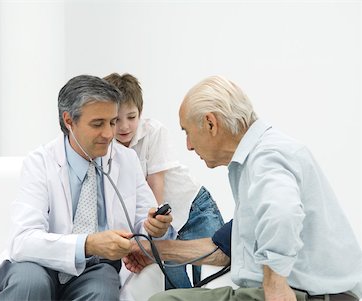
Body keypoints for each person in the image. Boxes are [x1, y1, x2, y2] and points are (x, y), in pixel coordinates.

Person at [131, 75, 362, 301]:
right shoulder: (254, 160)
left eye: (188, 132)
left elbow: (283, 214)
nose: (189, 146)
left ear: (211, 123)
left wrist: (275, 285)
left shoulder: (267, 156)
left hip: (307, 295)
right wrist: (150, 250)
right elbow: (221, 249)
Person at [0, 75, 173, 301]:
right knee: (30, 285)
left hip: (95, 268)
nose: (109, 134)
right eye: (98, 124)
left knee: (102, 290)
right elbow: (23, 240)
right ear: (69, 120)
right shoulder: (40, 163)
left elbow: (142, 224)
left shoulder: (126, 160)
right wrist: (88, 244)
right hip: (38, 262)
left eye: (112, 122)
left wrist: (154, 227)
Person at [103, 73, 225, 289]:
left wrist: (151, 231)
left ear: (140, 113)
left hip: (193, 208)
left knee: (214, 277)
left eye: (131, 117)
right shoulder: (107, 147)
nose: (124, 127)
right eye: (116, 120)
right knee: (173, 283)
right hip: (164, 225)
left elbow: (155, 184)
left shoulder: (153, 131)